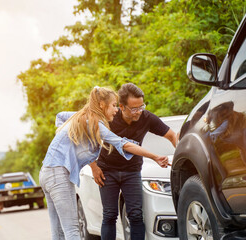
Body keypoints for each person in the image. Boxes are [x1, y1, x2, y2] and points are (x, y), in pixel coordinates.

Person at [39, 86, 170, 240]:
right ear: (102, 105)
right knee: (72, 230)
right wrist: (155, 156)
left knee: (58, 230)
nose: (116, 110)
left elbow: (60, 116)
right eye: (114, 105)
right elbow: (124, 144)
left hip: (46, 172)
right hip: (58, 174)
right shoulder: (94, 123)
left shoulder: (82, 117)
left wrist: (64, 138)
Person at [90, 83, 177, 240]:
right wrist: (94, 167)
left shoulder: (146, 117)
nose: (139, 112)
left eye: (141, 106)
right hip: (107, 171)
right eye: (134, 109)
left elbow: (172, 135)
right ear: (122, 106)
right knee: (110, 214)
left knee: (136, 215)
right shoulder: (110, 116)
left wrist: (179, 156)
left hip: (132, 171)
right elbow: (89, 143)